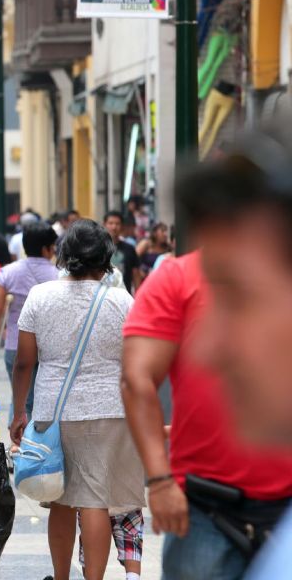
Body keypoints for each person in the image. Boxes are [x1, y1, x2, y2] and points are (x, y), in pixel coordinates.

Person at [122, 137, 292, 580]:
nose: (205, 348)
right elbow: (136, 377)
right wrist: (160, 480)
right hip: (206, 506)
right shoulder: (176, 278)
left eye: (238, 301)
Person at [11, 220, 145, 580]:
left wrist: (18, 411)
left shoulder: (41, 296)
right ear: (106, 257)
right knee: (96, 500)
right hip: (109, 411)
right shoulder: (121, 301)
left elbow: (25, 362)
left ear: (63, 255)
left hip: (53, 411)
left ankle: (61, 576)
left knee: (59, 497)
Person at [0, 222, 59, 416]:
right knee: (39, 397)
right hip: (48, 344)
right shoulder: (58, 275)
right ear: (46, 248)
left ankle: (17, 438)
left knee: (19, 393)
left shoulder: (8, 272)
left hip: (15, 343)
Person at [104, 210, 141, 293]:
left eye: (117, 224)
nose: (114, 227)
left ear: (122, 226)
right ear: (104, 224)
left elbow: (136, 274)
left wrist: (138, 295)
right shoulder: (98, 248)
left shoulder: (129, 248)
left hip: (125, 295)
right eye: (110, 223)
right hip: (103, 297)